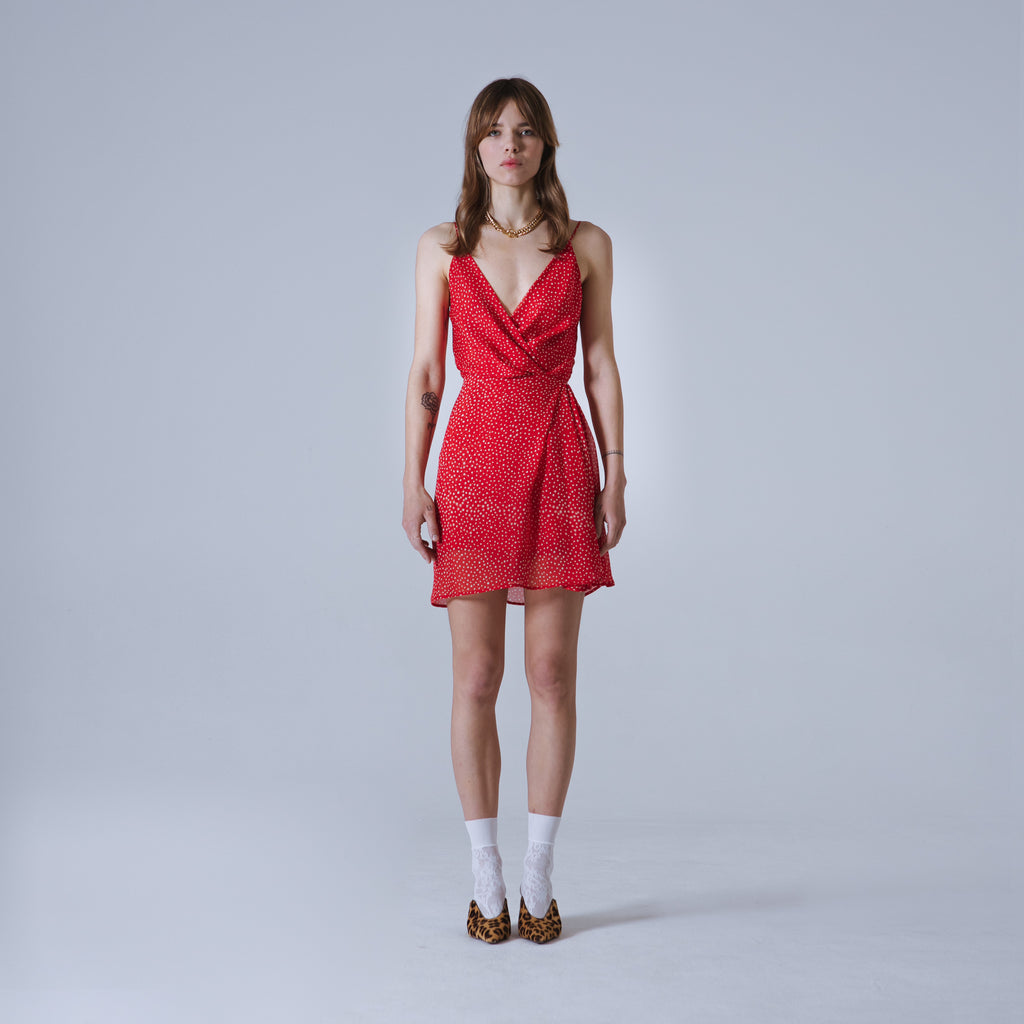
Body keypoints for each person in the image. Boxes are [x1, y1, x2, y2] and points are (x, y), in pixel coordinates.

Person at [402, 77, 626, 944]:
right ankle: (484, 872)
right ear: (475, 147)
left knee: (551, 674)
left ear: (545, 145)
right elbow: (428, 372)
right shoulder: (443, 246)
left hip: (561, 456)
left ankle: (539, 871)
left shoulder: (585, 243)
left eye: (525, 130)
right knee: (477, 676)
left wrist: (616, 474)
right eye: (495, 131)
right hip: (473, 461)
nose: (510, 145)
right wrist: (412, 481)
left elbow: (599, 363)